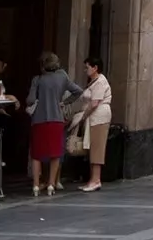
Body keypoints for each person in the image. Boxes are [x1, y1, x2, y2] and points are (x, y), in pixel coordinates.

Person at [25, 52, 81, 197]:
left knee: (37, 154)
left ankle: (36, 185)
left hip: (39, 120)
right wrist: (63, 103)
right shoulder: (63, 78)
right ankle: (51, 184)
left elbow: (30, 100)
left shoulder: (37, 80)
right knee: (55, 153)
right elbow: (78, 91)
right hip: (57, 119)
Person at [73, 57, 113, 192]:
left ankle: (96, 179)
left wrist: (84, 115)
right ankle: (92, 179)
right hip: (93, 118)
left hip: (98, 118)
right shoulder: (93, 82)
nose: (85, 70)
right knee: (92, 146)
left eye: (87, 67)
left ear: (95, 68)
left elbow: (94, 102)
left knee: (97, 147)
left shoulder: (100, 82)